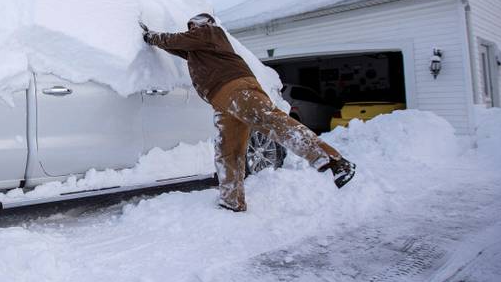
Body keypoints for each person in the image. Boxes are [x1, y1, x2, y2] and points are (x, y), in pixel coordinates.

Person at [140, 13, 355, 212]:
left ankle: (334, 161)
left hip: (238, 89)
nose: (191, 29)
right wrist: (151, 37)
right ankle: (231, 201)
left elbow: (177, 41)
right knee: (228, 152)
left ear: (204, 24)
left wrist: (152, 36)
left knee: (273, 122)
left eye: (193, 26)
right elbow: (176, 47)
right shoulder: (199, 50)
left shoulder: (211, 33)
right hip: (222, 102)